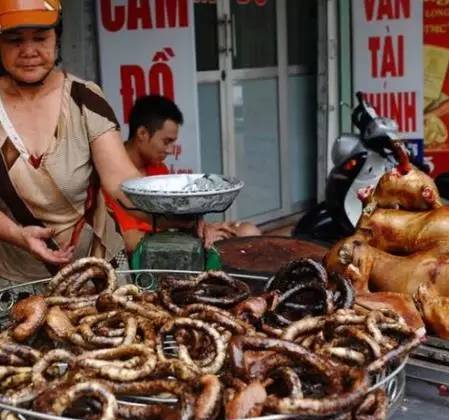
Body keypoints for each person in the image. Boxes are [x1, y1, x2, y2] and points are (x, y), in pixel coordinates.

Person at [0, 0, 148, 284]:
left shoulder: (84, 98)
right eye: (15, 40)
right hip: (17, 284)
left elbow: (120, 182)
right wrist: (19, 236)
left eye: (41, 38)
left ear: (57, 38)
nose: (29, 51)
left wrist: (175, 214)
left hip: (97, 273)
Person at [104, 95, 261, 255]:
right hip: (148, 253)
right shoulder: (112, 178)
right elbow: (130, 241)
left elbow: (175, 219)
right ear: (142, 133)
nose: (171, 150)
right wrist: (190, 237)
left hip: (176, 237)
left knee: (248, 231)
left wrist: (203, 228)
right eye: (166, 142)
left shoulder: (159, 170)